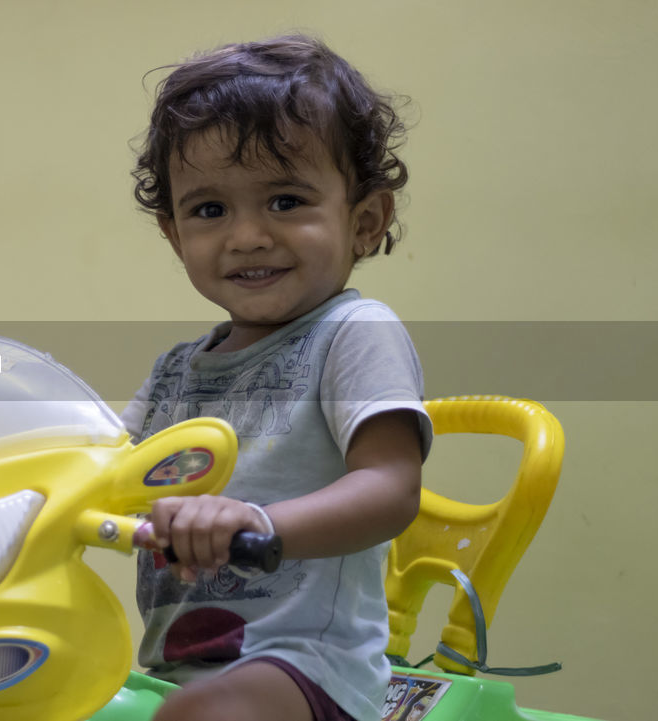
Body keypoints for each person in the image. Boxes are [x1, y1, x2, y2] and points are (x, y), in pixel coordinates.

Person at [120, 35, 433, 721]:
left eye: (286, 200)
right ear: (175, 235)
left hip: (305, 663)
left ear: (364, 221)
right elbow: (94, 463)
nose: (248, 235)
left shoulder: (354, 333)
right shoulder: (177, 369)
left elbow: (390, 487)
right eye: (210, 210)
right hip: (177, 665)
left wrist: (259, 521)